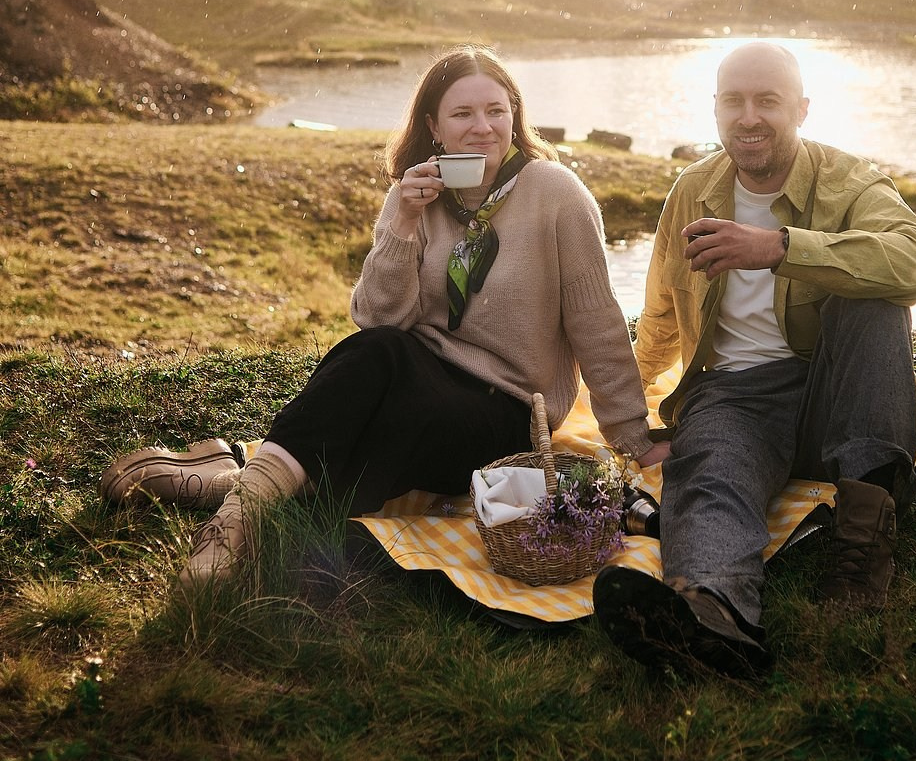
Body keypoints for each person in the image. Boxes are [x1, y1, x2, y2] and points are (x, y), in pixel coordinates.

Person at [101, 45, 663, 591]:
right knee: (370, 352)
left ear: (515, 117)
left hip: (508, 403)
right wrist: (401, 219)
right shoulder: (418, 194)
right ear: (433, 126)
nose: (483, 127)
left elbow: (597, 320)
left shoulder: (557, 193)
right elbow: (377, 315)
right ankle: (233, 525)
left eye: (496, 110)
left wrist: (631, 434)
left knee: (403, 423)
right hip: (415, 363)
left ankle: (233, 484)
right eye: (463, 113)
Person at [592, 41, 916, 679]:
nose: (749, 116)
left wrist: (781, 248)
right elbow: (661, 313)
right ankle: (715, 617)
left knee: (873, 302)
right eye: (734, 101)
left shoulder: (850, 181)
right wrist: (625, 414)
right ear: (716, 110)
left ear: (802, 110)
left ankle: (862, 549)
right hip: (734, 396)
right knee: (709, 475)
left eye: (769, 101)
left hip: (833, 393)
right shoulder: (694, 189)